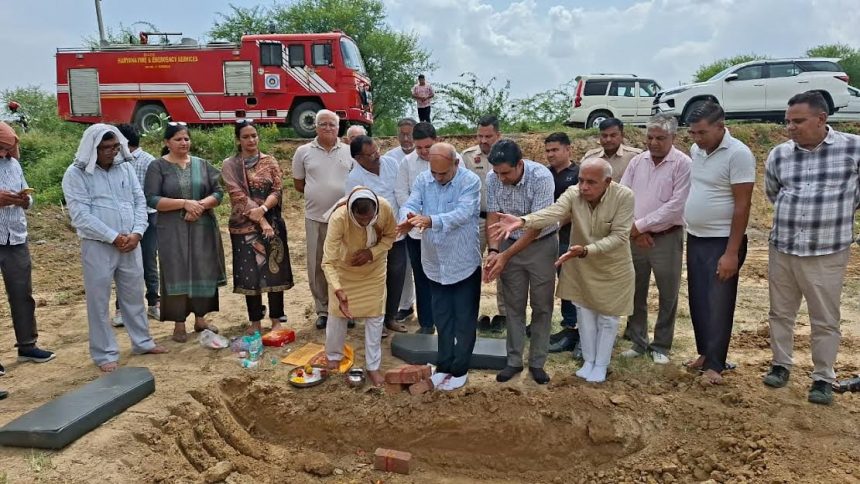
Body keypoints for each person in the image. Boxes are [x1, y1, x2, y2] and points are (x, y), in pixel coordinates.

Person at [491, 158, 635, 384]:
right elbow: (553, 212)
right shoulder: (574, 193)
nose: (584, 187)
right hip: (581, 263)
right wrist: (523, 221)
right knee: (584, 313)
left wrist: (587, 250)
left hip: (612, 266)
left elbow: (620, 236)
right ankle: (589, 361)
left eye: (591, 182)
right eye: (581, 180)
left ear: (608, 182)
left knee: (607, 318)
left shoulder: (624, 196)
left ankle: (601, 364)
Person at [762, 91, 860, 405]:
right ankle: (781, 364)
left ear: (821, 119)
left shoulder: (854, 149)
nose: (791, 127)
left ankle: (822, 378)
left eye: (798, 121)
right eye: (788, 121)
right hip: (784, 248)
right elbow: (773, 193)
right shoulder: (779, 154)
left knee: (824, 318)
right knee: (780, 313)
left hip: (826, 252)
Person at [62, 124, 168, 371]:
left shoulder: (125, 167)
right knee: (99, 301)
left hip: (131, 242)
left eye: (115, 146)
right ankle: (105, 354)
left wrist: (137, 232)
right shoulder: (76, 174)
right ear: (93, 148)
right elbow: (80, 215)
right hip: (98, 245)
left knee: (134, 295)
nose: (111, 152)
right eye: (105, 148)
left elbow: (139, 201)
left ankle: (142, 342)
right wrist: (113, 237)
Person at [397, 143, 481, 391]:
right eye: (434, 172)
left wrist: (431, 220)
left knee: (464, 321)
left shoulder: (470, 181)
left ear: (456, 163)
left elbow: (463, 213)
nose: (437, 177)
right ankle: (443, 366)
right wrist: (407, 217)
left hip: (463, 262)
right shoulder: (424, 179)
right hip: (434, 262)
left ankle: (460, 369)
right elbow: (411, 202)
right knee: (442, 318)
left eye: (443, 173)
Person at [684, 102, 755, 385]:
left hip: (722, 240)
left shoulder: (738, 154)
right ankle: (704, 353)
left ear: (720, 127)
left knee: (719, 302)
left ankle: (716, 365)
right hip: (696, 237)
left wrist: (731, 252)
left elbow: (742, 206)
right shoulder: (696, 150)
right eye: (692, 133)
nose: (696, 138)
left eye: (702, 132)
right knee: (698, 299)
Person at [144, 122, 226, 343]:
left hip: (202, 227)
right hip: (172, 229)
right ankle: (179, 323)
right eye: (178, 139)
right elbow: (152, 199)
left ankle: (201, 319)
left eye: (186, 139)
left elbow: (218, 192)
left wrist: (199, 206)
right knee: (175, 271)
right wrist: (184, 203)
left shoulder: (202, 164)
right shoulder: (157, 166)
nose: (183, 143)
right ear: (167, 142)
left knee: (202, 269)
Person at [483, 139, 557, 384]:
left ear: (520, 164)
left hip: (541, 245)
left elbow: (536, 227)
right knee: (513, 305)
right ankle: (514, 361)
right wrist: (494, 250)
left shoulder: (541, 177)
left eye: (506, 173)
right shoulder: (493, 178)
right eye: (497, 173)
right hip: (507, 242)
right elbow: (493, 216)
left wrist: (505, 256)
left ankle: (537, 362)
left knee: (542, 305)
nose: (501, 178)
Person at [619, 114, 691, 364]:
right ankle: (638, 342)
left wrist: (640, 226)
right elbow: (623, 196)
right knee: (635, 290)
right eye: (650, 137)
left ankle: (661, 345)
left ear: (673, 137)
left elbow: (676, 205)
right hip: (636, 238)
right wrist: (636, 231)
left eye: (660, 138)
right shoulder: (637, 162)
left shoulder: (683, 164)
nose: (654, 143)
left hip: (667, 237)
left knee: (667, 293)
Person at [222, 120, 294, 334]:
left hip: (273, 223)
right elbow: (237, 196)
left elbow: (277, 190)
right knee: (250, 273)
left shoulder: (270, 161)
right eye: (245, 137)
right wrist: (261, 221)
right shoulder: (230, 165)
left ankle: (276, 320)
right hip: (245, 226)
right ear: (238, 140)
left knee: (274, 270)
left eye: (254, 135)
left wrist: (263, 210)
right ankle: (255, 321)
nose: (251, 140)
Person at [0, 121, 56, 388]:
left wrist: (25, 200)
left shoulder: (13, 164)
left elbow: (28, 195)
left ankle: (27, 345)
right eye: (0, 148)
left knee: (22, 294)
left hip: (16, 238)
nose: (4, 153)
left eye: (7, 148)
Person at [323, 188, 396, 386]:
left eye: (369, 219)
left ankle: (373, 367)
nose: (365, 223)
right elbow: (328, 261)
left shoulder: (385, 208)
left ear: (375, 210)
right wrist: (338, 289)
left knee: (375, 316)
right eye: (360, 220)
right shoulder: (339, 218)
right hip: (344, 270)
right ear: (351, 212)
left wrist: (372, 253)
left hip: (374, 271)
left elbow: (390, 236)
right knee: (336, 314)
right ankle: (333, 356)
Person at [292, 110, 354, 330]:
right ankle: (323, 310)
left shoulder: (349, 151)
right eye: (323, 124)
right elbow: (299, 184)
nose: (328, 128)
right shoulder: (303, 152)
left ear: (338, 128)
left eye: (332, 124)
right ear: (316, 126)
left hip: (345, 218)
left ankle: (345, 308)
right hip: (315, 217)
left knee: (344, 263)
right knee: (317, 264)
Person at [344, 135, 409, 334]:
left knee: (397, 275)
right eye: (371, 154)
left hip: (397, 232)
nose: (377, 155)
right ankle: (375, 323)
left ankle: (390, 318)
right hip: (372, 237)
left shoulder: (391, 163)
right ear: (358, 158)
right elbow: (355, 212)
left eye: (377, 150)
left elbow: (401, 194)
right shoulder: (354, 178)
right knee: (375, 280)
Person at [110, 124, 159, 328]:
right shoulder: (115, 162)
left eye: (115, 143)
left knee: (148, 261)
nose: (113, 149)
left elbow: (153, 193)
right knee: (123, 264)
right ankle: (121, 309)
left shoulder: (148, 161)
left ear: (124, 143)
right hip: (124, 219)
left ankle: (154, 302)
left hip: (148, 217)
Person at [461, 114, 507, 331]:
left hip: (503, 220)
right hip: (477, 219)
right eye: (480, 136)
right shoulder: (468, 157)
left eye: (488, 136)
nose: (483, 140)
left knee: (503, 266)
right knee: (470, 266)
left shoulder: (510, 154)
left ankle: (504, 314)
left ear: (498, 135)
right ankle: (470, 313)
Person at [395, 122, 438, 334]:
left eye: (427, 147)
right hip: (415, 231)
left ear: (436, 141)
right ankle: (427, 323)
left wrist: (432, 218)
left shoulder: (452, 157)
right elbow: (401, 193)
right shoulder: (407, 162)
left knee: (443, 277)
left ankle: (445, 321)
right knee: (421, 278)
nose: (423, 151)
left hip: (441, 229)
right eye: (419, 147)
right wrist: (415, 217)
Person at [543, 132, 580, 355]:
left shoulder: (578, 174)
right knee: (548, 281)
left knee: (569, 282)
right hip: (545, 237)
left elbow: (577, 207)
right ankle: (547, 322)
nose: (550, 154)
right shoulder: (544, 174)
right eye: (548, 150)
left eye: (555, 150)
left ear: (568, 149)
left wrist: (555, 224)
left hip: (569, 237)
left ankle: (571, 326)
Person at [383, 117, 417, 322]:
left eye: (409, 134)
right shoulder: (389, 158)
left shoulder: (425, 153)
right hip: (399, 219)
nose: (406, 139)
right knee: (403, 266)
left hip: (424, 218)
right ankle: (405, 305)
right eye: (402, 134)